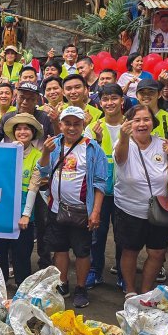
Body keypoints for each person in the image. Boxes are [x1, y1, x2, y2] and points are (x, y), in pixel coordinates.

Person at [38, 106, 106, 308]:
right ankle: (63, 283)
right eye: (67, 123)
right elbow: (43, 170)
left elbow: (100, 182)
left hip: (81, 211)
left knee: (82, 251)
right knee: (59, 249)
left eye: (76, 124)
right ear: (60, 125)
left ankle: (81, 287)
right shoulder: (54, 145)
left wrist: (95, 212)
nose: (72, 127)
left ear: (83, 125)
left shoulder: (93, 148)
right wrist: (45, 152)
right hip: (56, 208)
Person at [113, 104, 168, 296]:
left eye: (146, 119)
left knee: (157, 253)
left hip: (159, 210)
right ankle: (130, 289)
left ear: (153, 123)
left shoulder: (162, 144)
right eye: (136, 120)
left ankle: (146, 289)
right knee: (130, 251)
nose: (142, 124)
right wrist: (123, 136)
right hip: (129, 209)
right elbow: (120, 158)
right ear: (129, 123)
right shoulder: (123, 143)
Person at [0, 112, 42, 284]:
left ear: (33, 132)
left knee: (22, 256)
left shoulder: (38, 155)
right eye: (18, 129)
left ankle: (22, 292)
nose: (22, 132)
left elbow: (34, 186)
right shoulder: (5, 151)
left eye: (26, 128)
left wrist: (26, 214)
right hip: (1, 212)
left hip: (23, 214)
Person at [86, 83, 126, 290]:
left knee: (122, 236)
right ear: (100, 103)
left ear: (122, 100)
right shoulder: (93, 127)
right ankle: (95, 271)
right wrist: (98, 140)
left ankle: (122, 272)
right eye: (105, 99)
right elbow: (88, 158)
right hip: (99, 190)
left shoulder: (132, 125)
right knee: (96, 234)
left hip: (125, 190)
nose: (109, 103)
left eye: (114, 98)